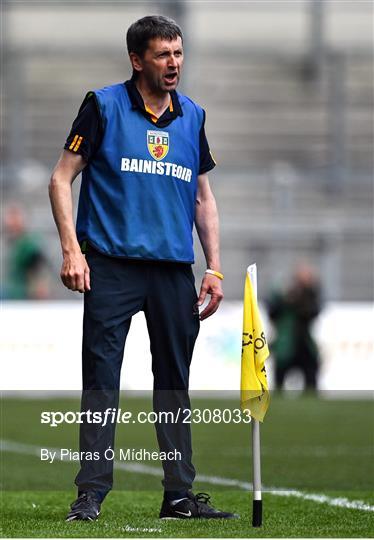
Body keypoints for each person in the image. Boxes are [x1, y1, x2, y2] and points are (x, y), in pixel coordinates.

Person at [49, 16, 237, 521]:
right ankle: (90, 494)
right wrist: (72, 250)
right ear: (137, 60)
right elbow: (60, 179)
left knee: (175, 382)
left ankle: (178, 496)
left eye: (178, 53)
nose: (174, 63)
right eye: (163, 54)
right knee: (101, 380)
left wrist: (214, 269)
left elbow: (203, 197)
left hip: (173, 270)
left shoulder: (193, 115)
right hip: (111, 266)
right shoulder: (103, 106)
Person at [267, 263, 321, 391]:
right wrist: (286, 298)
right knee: (279, 381)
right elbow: (273, 312)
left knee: (311, 382)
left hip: (304, 344)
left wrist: (301, 295)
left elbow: (312, 312)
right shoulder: (283, 295)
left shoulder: (310, 295)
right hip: (284, 345)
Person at [3, 203, 50, 300]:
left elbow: (37, 267)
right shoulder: (11, 243)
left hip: (24, 298)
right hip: (11, 296)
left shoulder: (29, 244)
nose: (11, 223)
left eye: (15, 218)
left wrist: (38, 286)